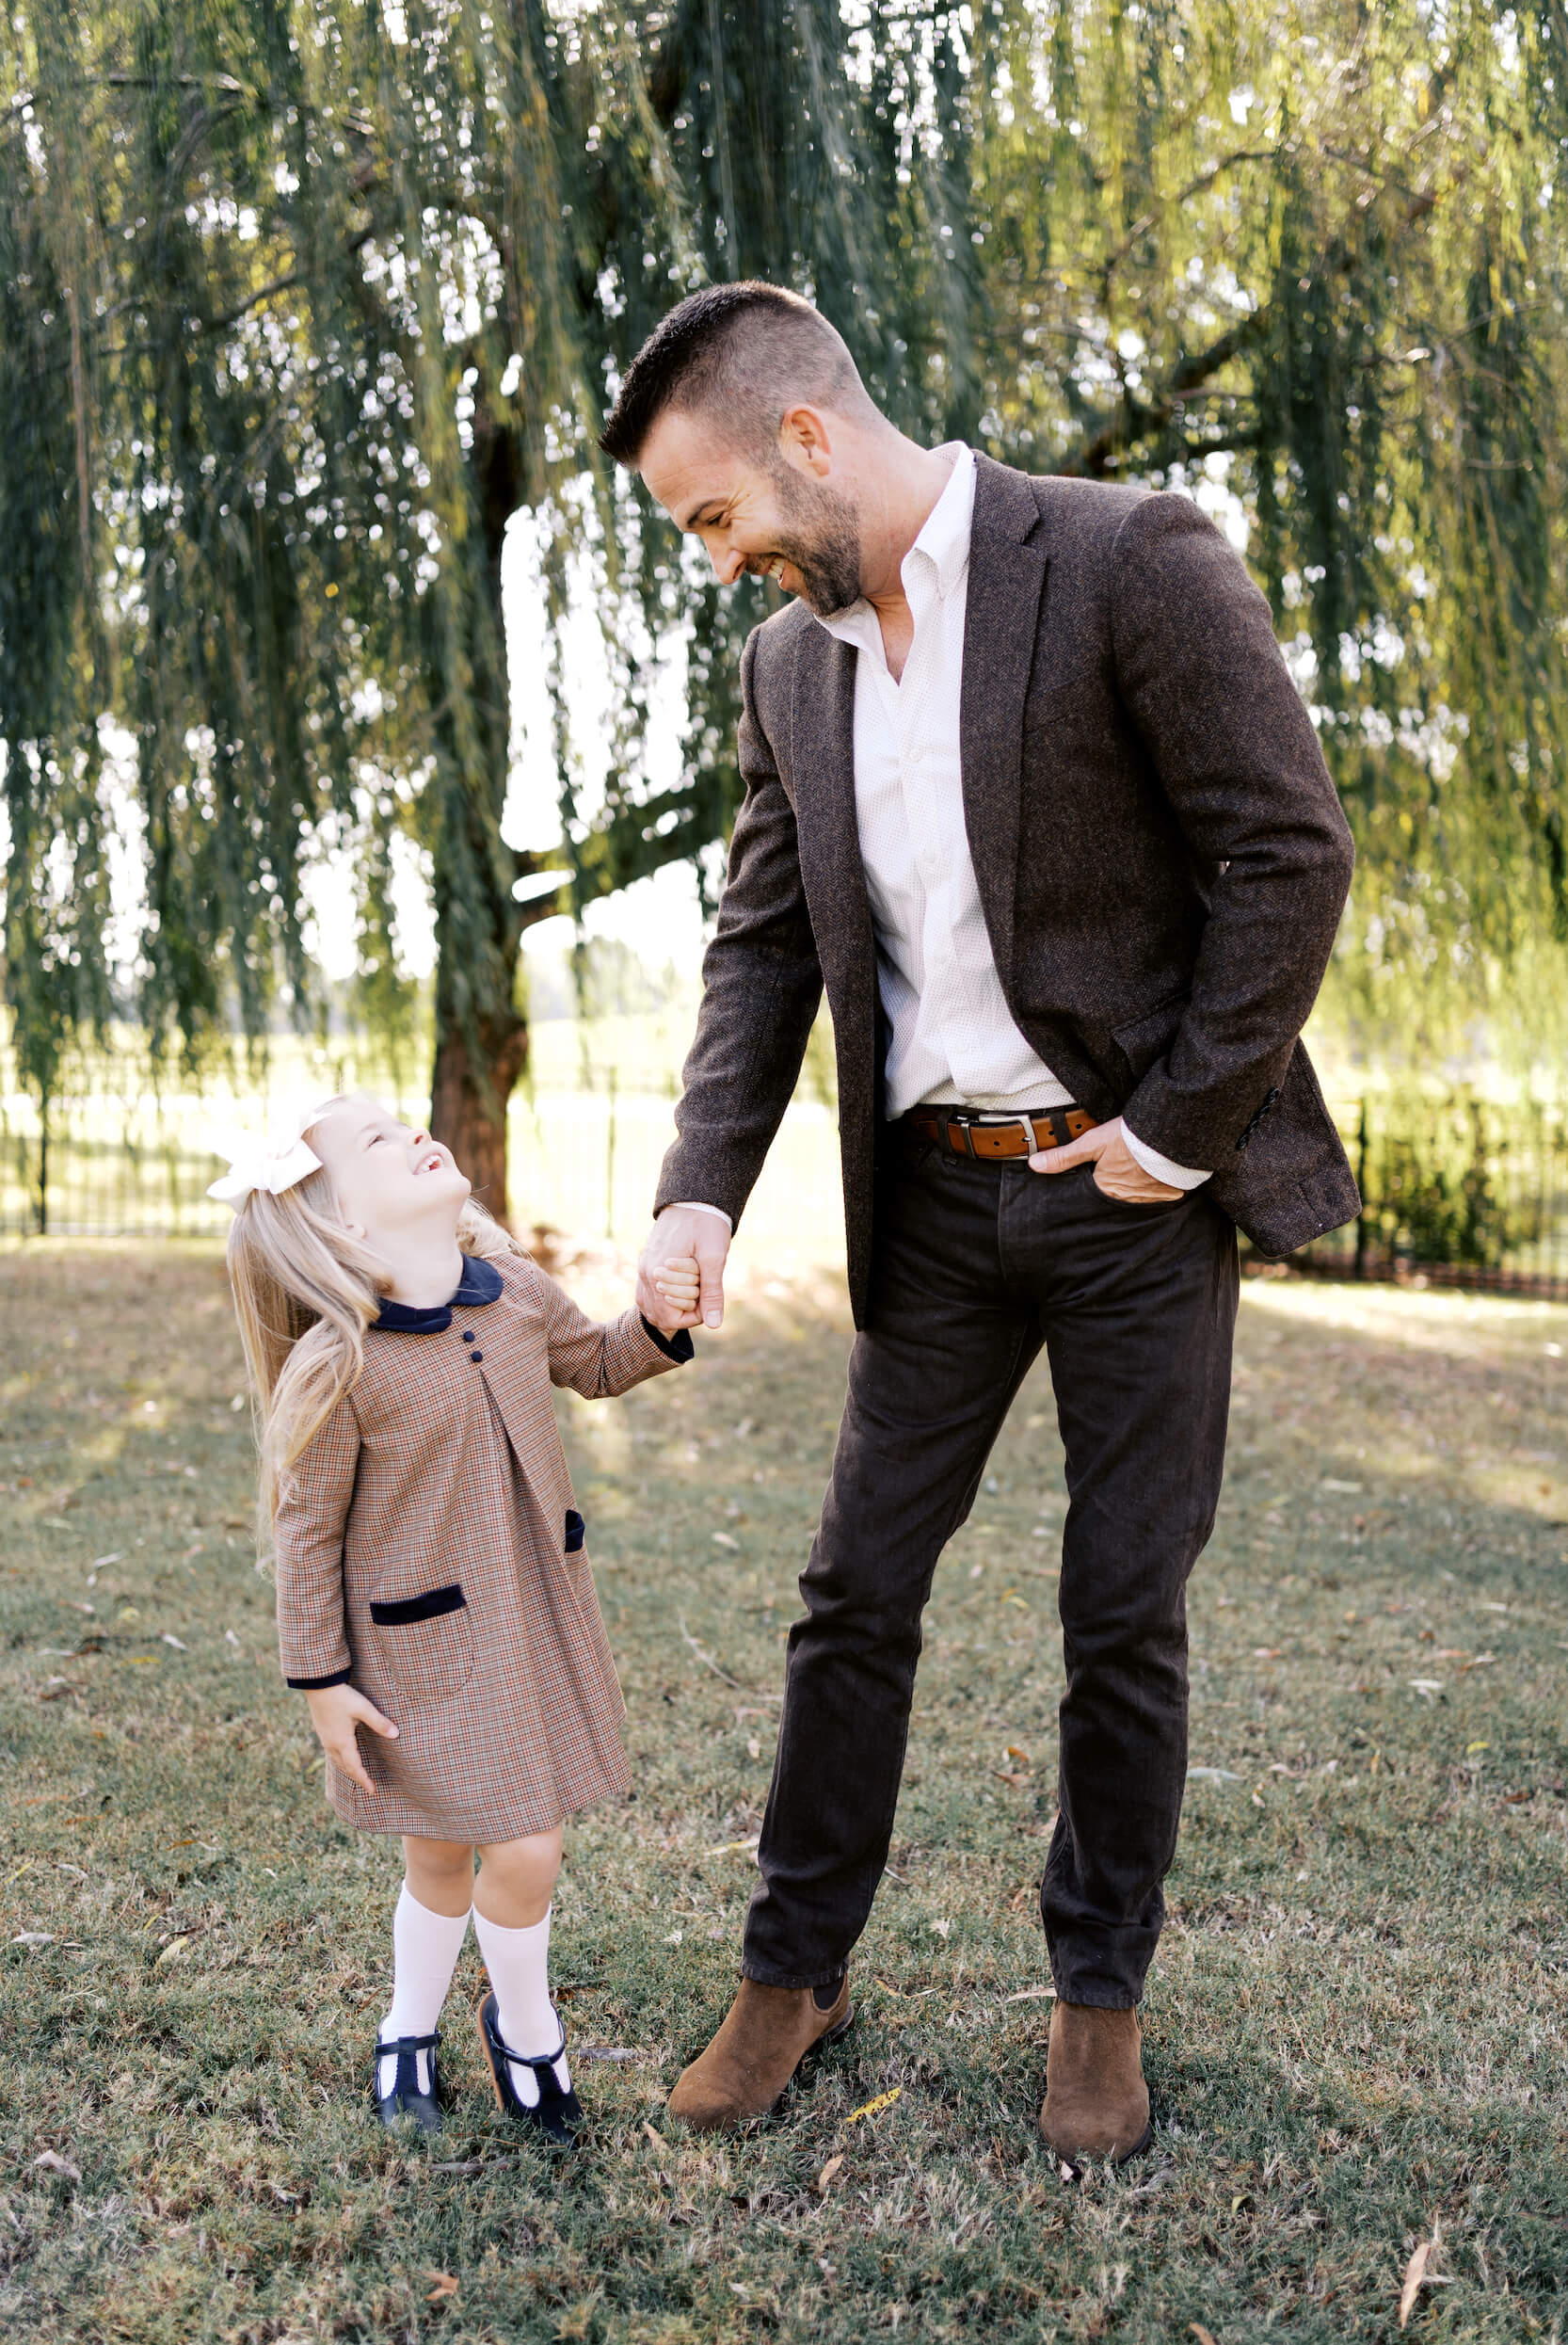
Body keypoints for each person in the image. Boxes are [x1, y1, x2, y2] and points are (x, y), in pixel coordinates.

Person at [603, 282, 1359, 2162]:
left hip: (1127, 1202)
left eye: (711, 516)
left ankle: (1094, 2001)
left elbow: (1285, 849)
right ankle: (792, 1967)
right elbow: (763, 942)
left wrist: (1176, 1131)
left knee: (1120, 1611)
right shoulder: (795, 668)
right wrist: (699, 1189)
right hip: (926, 1206)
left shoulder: (1122, 561)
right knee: (851, 1591)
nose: (717, 563)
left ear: (802, 437)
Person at [212, 1094, 699, 2142]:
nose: (414, 1133)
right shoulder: (341, 1360)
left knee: (527, 1850)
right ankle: (408, 2027)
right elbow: (308, 1531)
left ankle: (522, 2021)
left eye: (404, 1120)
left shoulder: (515, 1292)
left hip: (532, 1622)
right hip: (416, 1649)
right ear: (340, 1221)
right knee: (436, 1856)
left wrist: (658, 1319)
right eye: (377, 1144)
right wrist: (320, 1680)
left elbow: (599, 1362)